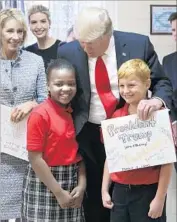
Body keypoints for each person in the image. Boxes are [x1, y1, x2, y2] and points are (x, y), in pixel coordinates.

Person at [57, 7, 173, 222]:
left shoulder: (138, 44)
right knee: (96, 201)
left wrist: (157, 101)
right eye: (81, 41)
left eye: (90, 42)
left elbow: (161, 82)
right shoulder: (69, 51)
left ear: (107, 34)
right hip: (89, 134)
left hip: (132, 131)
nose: (85, 47)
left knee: (139, 198)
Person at [102, 58, 173, 222]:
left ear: (147, 84)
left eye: (131, 85)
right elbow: (110, 156)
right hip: (119, 192)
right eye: (121, 86)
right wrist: (105, 189)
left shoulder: (159, 117)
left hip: (148, 192)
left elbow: (167, 162)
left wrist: (160, 198)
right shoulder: (117, 117)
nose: (125, 90)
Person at [21, 58, 86, 222]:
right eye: (59, 84)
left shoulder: (74, 112)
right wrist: (58, 192)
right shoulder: (40, 114)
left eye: (71, 84)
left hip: (71, 183)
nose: (66, 88)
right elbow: (35, 159)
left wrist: (82, 185)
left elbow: (79, 155)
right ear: (48, 86)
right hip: (45, 182)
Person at [0, 8, 47, 221]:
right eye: (10, 31)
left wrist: (31, 104)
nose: (16, 37)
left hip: (26, 149)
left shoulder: (35, 61)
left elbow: (46, 101)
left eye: (20, 31)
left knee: (27, 211)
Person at [25, 5, 63, 70]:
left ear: (49, 23)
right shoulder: (27, 52)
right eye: (34, 22)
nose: (39, 27)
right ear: (29, 25)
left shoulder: (62, 48)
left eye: (43, 21)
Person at [162, 12, 177, 171]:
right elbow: (166, 95)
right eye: (173, 30)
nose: (176, 34)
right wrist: (174, 122)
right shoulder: (168, 61)